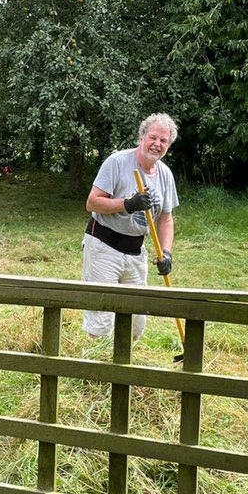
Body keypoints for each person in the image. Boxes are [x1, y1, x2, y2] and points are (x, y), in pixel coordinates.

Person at [82, 113, 179, 340]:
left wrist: (166, 252)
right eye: (153, 137)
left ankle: (122, 368)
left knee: (135, 320)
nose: (157, 144)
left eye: (163, 141)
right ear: (141, 137)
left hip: (136, 251)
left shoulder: (165, 174)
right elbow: (92, 202)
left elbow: (166, 218)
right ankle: (95, 371)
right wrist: (127, 204)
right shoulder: (117, 162)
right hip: (104, 246)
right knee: (101, 321)